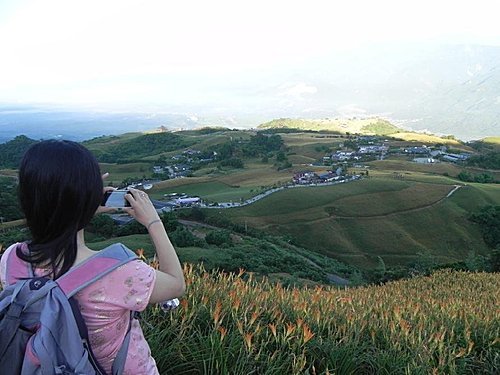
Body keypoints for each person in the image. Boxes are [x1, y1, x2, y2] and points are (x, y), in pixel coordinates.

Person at [0, 140, 185, 375]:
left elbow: (57, 218)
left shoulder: (11, 259)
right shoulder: (119, 273)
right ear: (87, 199)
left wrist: (80, 206)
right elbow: (176, 284)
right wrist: (153, 222)